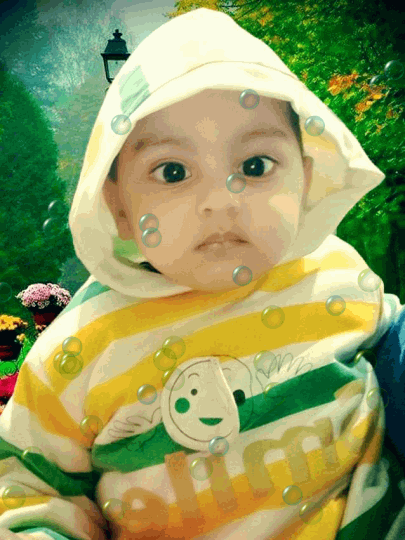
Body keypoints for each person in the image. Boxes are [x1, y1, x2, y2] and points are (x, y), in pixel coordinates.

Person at [1, 7, 404, 540]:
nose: (221, 201)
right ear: (117, 205)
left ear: (304, 179)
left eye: (255, 166)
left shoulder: (337, 273)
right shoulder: (79, 348)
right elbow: (31, 488)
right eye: (172, 172)